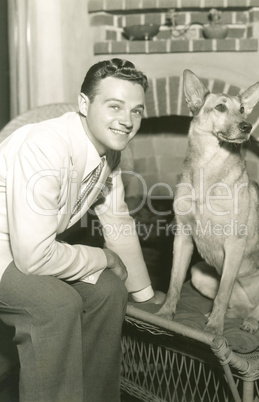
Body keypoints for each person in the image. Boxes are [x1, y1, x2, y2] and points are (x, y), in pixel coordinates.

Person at [0, 58, 164, 402]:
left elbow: (118, 222)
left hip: (33, 246)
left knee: (110, 292)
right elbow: (33, 259)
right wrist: (103, 258)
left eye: (136, 111)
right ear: (84, 104)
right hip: (7, 252)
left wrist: (144, 296)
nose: (127, 121)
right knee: (55, 306)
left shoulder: (110, 153)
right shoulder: (44, 144)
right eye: (115, 106)